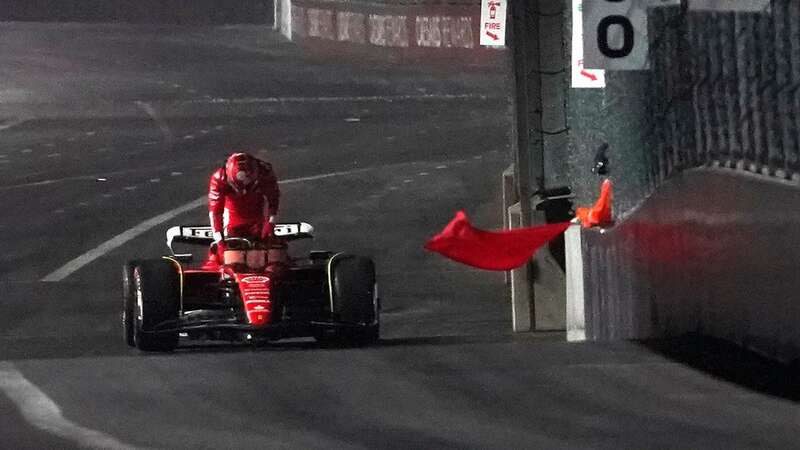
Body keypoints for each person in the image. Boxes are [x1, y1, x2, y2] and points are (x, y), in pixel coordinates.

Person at [204, 152, 281, 268]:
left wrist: (270, 224)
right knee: (229, 250)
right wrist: (220, 241)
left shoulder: (265, 173)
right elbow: (215, 212)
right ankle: (215, 261)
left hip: (258, 215)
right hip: (232, 217)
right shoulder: (219, 178)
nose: (243, 189)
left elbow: (273, 200)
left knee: (269, 245)